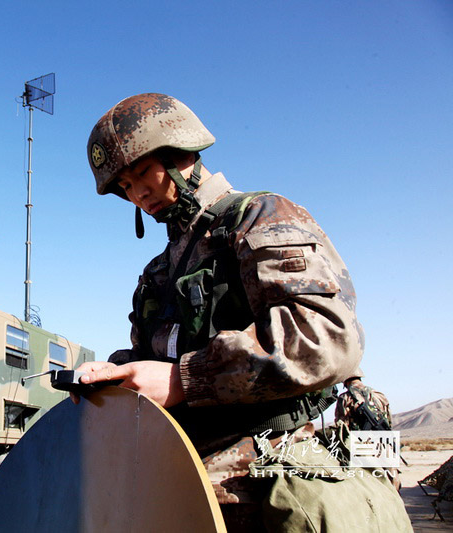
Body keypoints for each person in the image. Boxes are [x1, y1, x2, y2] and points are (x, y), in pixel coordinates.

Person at [76, 93, 366, 531]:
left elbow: (324, 338)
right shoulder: (158, 271)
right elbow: (153, 360)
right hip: (179, 466)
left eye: (141, 173)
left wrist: (185, 380)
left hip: (266, 470)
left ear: (180, 153)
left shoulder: (259, 218)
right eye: (124, 187)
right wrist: (115, 374)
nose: (138, 194)